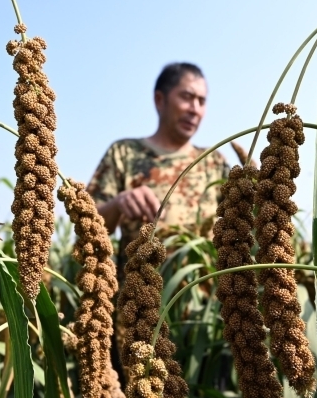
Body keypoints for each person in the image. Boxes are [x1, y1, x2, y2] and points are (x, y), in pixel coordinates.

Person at [87, 62, 229, 265]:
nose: (195, 109)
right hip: (139, 290)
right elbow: (87, 224)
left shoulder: (214, 161)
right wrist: (118, 203)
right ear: (160, 100)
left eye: (201, 101)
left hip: (203, 293)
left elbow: (241, 224)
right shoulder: (125, 153)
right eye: (187, 97)